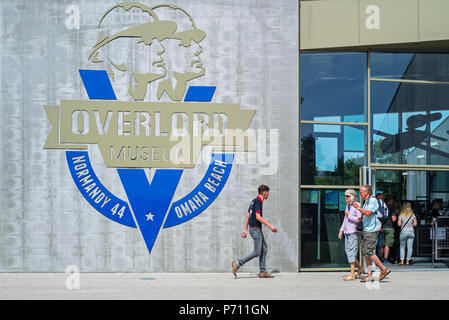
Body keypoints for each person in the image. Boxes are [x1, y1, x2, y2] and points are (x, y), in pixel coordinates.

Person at [232, 185, 277, 278]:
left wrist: (245, 229)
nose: (268, 194)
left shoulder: (253, 201)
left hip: (254, 229)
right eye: (268, 192)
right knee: (257, 252)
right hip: (255, 229)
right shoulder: (257, 201)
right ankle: (237, 263)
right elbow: (258, 216)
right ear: (264, 192)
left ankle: (263, 272)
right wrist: (270, 226)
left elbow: (248, 215)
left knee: (264, 249)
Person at [352, 185, 391, 282]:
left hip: (372, 230)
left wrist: (358, 208)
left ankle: (383, 269)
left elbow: (368, 213)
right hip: (366, 229)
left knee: (369, 251)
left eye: (361, 192)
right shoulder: (366, 201)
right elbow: (367, 215)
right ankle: (369, 274)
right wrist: (361, 218)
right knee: (366, 253)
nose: (360, 194)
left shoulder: (373, 200)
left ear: (367, 192)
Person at [338, 189, 363, 280]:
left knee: (352, 252)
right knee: (349, 252)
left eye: (347, 196)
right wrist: (341, 230)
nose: (345, 197)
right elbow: (345, 220)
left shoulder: (357, 205)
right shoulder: (347, 205)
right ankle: (359, 268)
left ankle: (352, 274)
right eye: (345, 196)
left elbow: (359, 219)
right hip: (347, 232)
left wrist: (349, 215)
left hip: (354, 232)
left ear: (352, 197)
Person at [381, 195, 397, 264]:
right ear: (390, 201)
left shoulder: (381, 207)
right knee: (387, 244)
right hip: (389, 227)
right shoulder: (391, 208)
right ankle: (385, 259)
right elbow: (394, 219)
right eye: (392, 201)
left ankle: (380, 258)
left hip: (382, 227)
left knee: (382, 244)